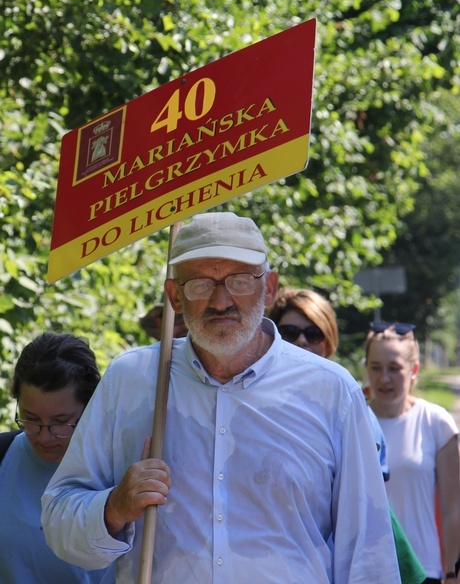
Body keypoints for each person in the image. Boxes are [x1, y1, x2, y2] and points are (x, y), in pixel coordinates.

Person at [42, 211, 401, 583]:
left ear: (270, 287)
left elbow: (367, 552)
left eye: (240, 281)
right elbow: (57, 521)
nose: (220, 301)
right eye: (199, 284)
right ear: (174, 297)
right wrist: (114, 507)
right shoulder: (132, 381)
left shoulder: (331, 391)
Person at [269, 288, 426, 584]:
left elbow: (365, 513)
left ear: (328, 341)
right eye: (289, 332)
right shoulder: (252, 404)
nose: (301, 340)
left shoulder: (349, 407)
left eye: (313, 333)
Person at [0, 332, 113, 583]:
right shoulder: (3, 456)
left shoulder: (118, 468)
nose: (44, 437)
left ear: (91, 407)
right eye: (31, 419)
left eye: (60, 422)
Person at [365, 321, 460, 584]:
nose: (384, 378)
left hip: (423, 571)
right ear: (366, 368)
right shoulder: (352, 420)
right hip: (365, 572)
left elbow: (454, 509)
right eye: (376, 368)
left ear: (414, 370)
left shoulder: (435, 422)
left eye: (395, 369)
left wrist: (453, 572)